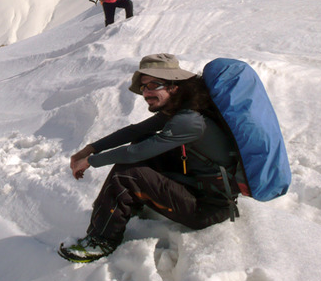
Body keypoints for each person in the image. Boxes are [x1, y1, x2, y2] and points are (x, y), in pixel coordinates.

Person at [58, 53, 239, 263]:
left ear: (174, 86)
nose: (146, 92)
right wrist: (90, 149)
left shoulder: (189, 120)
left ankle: (101, 240)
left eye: (154, 85)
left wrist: (90, 161)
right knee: (142, 142)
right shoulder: (183, 107)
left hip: (207, 207)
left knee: (127, 176)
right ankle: (126, 205)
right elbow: (136, 131)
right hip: (199, 185)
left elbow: (137, 153)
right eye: (144, 87)